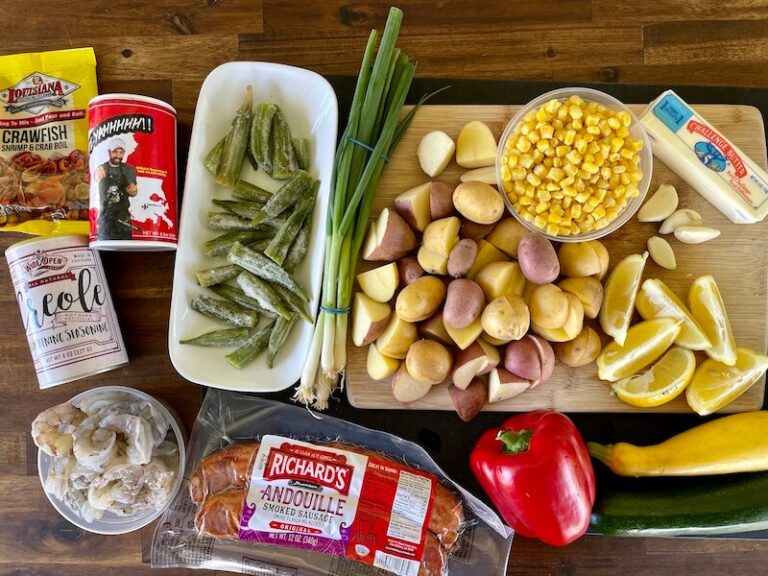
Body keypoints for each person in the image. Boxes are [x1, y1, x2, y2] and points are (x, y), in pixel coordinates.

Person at [94, 137, 138, 240]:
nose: (118, 156)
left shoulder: (130, 170)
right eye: (115, 152)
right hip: (105, 218)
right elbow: (94, 187)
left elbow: (134, 192)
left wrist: (133, 191)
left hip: (123, 218)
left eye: (121, 152)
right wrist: (96, 178)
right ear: (109, 152)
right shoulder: (101, 168)